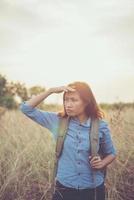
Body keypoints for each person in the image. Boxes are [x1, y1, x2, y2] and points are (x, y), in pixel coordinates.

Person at [20, 81, 116, 200]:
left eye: (74, 100)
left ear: (86, 102)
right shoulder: (58, 121)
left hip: (93, 189)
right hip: (64, 188)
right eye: (66, 100)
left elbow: (111, 153)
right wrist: (50, 91)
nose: (68, 104)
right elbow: (26, 108)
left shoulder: (101, 126)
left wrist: (102, 163)